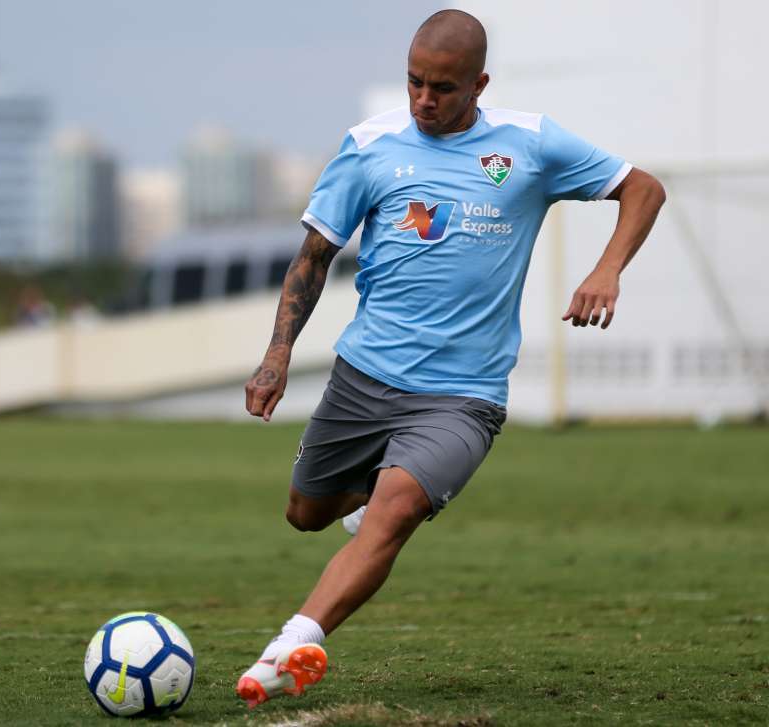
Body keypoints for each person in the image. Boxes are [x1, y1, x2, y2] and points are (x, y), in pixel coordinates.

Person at [235, 10, 666, 709]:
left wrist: (607, 268)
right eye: (414, 82)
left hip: (463, 395)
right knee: (305, 513)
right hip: (363, 378)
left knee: (395, 511)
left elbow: (642, 187)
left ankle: (291, 644)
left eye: (442, 87)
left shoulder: (530, 144)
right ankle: (361, 498)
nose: (424, 100)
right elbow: (314, 257)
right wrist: (275, 356)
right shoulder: (369, 146)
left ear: (479, 83)